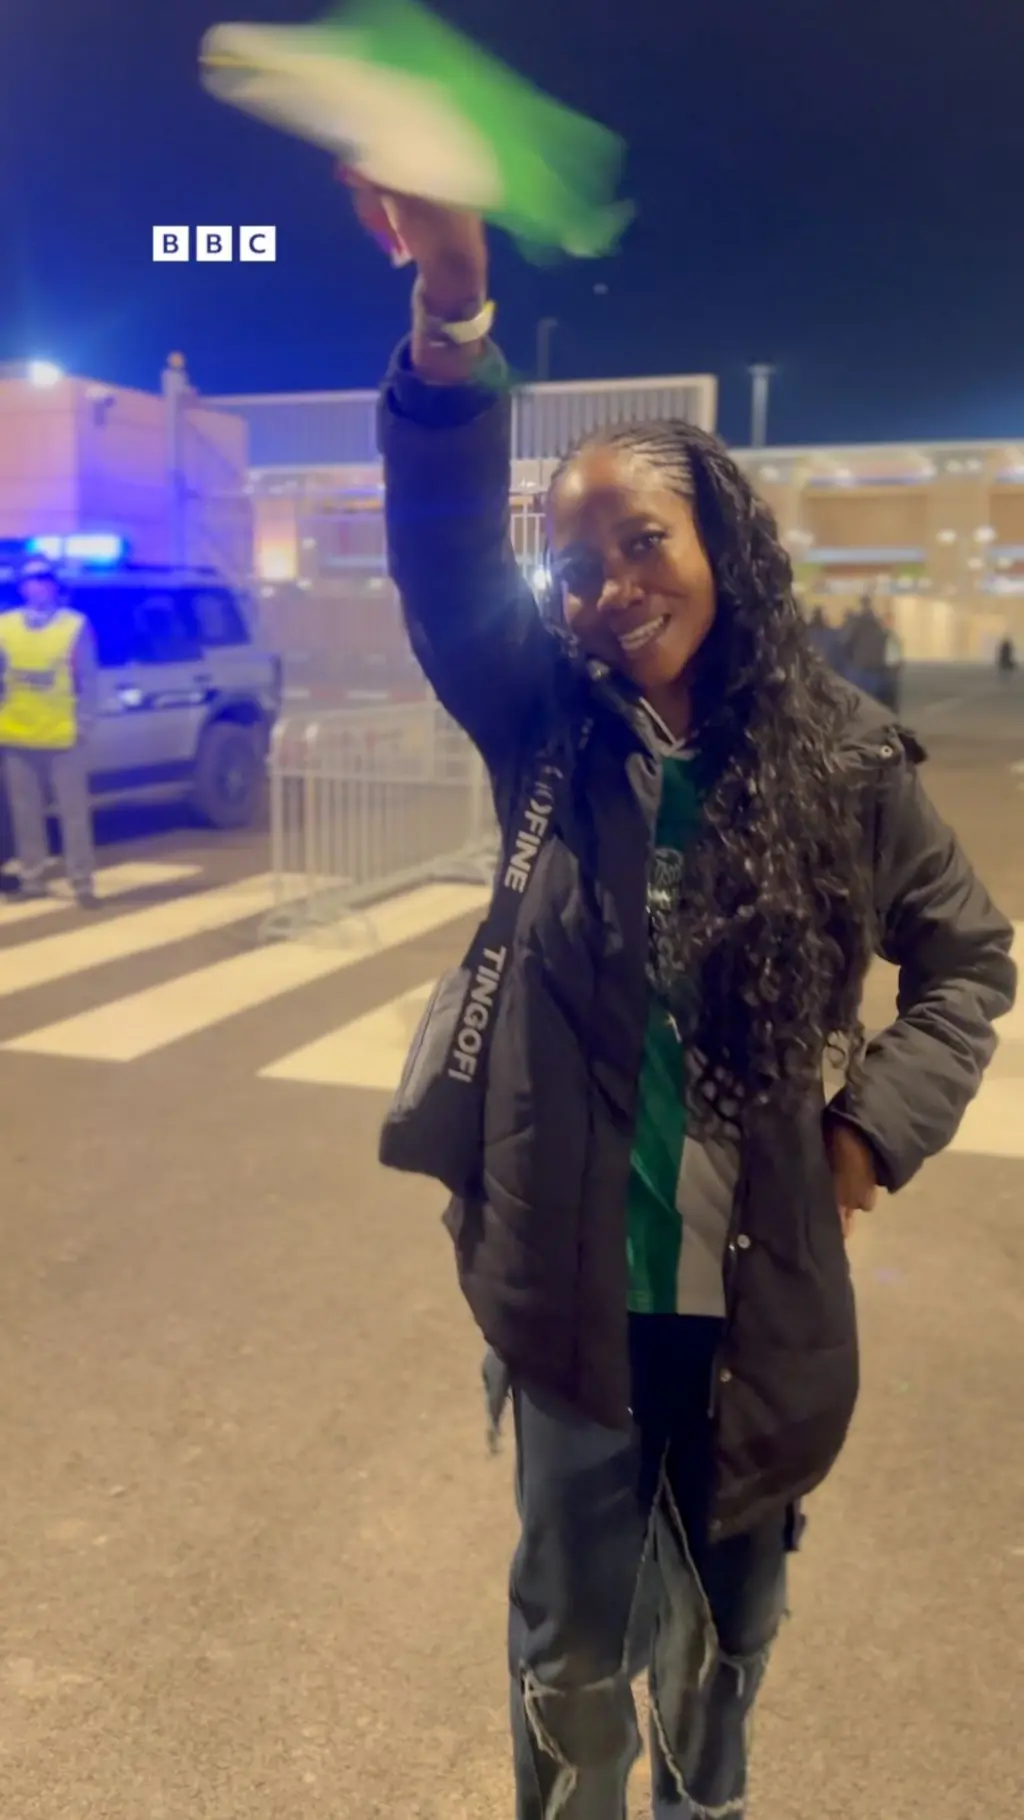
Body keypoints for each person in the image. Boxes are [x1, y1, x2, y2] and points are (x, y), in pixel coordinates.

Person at [360, 181, 1016, 1819]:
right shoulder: (542, 718)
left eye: (639, 538)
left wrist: (866, 1136)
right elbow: (441, 549)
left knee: (724, 1655)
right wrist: (453, 311)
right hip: (570, 1294)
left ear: (717, 537)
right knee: (569, 1654)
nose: (605, 583)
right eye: (573, 559)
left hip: (759, 1306)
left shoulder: (845, 761)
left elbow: (966, 963)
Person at [0, 555, 98, 906]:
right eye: (31, 581)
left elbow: (88, 679)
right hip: (17, 735)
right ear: (22, 587)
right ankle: (33, 879)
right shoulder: (5, 625)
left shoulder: (74, 625)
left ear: (54, 586)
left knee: (74, 815)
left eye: (44, 580)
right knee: (25, 813)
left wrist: (85, 723)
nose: (38, 587)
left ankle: (82, 883)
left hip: (62, 735)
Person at [839, 591, 889, 701]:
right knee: (872, 696)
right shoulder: (877, 623)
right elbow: (883, 641)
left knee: (860, 696)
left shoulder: (856, 622)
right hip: (875, 665)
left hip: (860, 664)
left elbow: (846, 641)